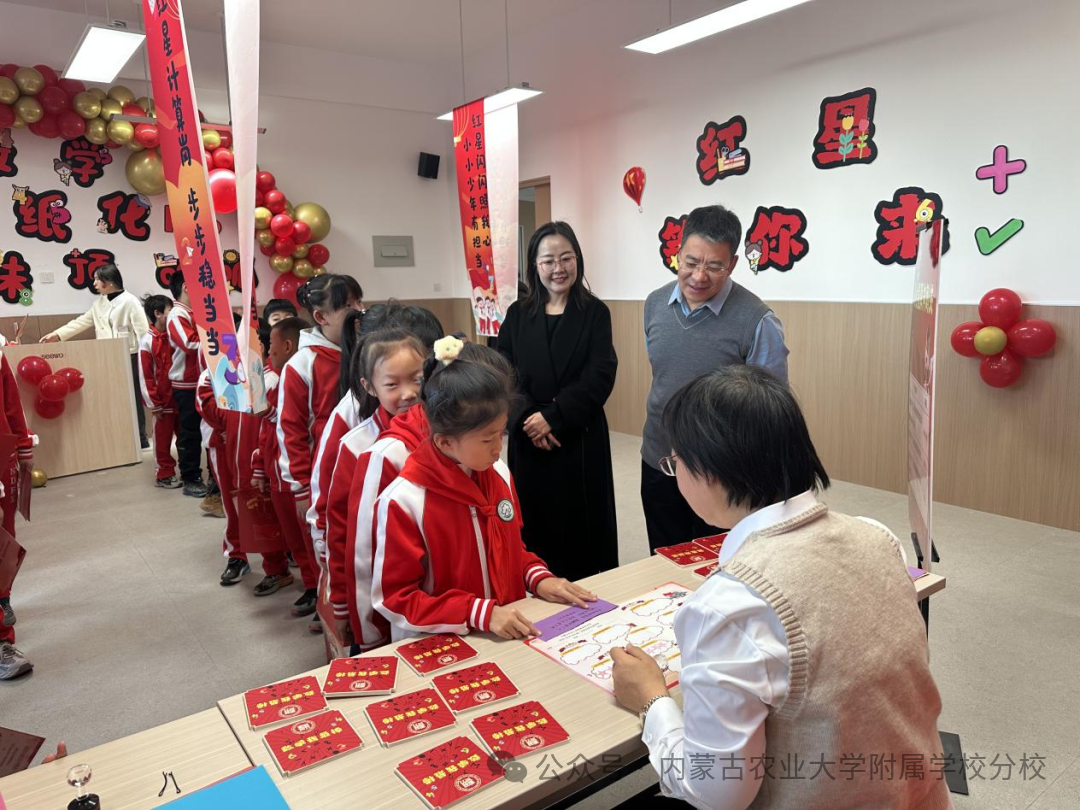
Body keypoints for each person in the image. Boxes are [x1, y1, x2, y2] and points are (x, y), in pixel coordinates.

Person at [610, 366, 950, 810]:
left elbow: (716, 794)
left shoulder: (730, 604)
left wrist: (652, 699)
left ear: (710, 472)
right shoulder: (877, 537)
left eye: (676, 464)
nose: (675, 476)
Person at [372, 337, 596, 642]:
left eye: (501, 433)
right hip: (446, 643)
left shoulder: (499, 473)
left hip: (506, 631)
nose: (498, 448)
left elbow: (512, 549)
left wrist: (538, 578)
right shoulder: (404, 500)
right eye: (488, 439)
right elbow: (395, 599)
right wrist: (480, 613)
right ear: (445, 441)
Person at [641, 204, 789, 551]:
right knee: (662, 557)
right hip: (660, 459)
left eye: (714, 266)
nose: (698, 276)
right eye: (691, 262)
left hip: (722, 474)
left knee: (718, 562)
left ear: (733, 264)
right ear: (678, 254)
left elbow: (769, 412)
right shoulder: (654, 304)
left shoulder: (757, 320)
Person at [497, 221, 619, 582]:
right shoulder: (517, 315)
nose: (558, 268)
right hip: (528, 435)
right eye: (548, 260)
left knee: (581, 528)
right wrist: (528, 419)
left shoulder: (595, 313)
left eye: (566, 258)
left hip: (577, 434)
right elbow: (503, 373)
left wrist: (554, 416)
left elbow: (600, 374)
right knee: (535, 521)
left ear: (577, 259)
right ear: (535, 266)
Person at [323, 327, 426, 645]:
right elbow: (341, 533)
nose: (408, 393)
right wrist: (344, 605)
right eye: (392, 384)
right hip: (381, 586)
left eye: (417, 379)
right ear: (368, 386)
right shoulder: (357, 446)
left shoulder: (441, 433)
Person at [277, 275, 363, 629]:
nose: (359, 311)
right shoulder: (302, 364)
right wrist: (300, 486)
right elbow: (291, 430)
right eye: (348, 306)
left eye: (360, 302)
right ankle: (329, 606)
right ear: (321, 317)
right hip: (322, 476)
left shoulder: (363, 351)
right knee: (328, 544)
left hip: (361, 469)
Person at [252, 317, 321, 615]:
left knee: (309, 538)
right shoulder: (271, 381)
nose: (269, 351)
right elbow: (266, 434)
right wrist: (260, 467)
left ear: (288, 346)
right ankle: (311, 586)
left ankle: (320, 591)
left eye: (272, 345)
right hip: (278, 475)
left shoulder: (298, 380)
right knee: (293, 538)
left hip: (300, 478)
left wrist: (269, 413)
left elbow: (295, 427)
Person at [40, 264, 150, 448]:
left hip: (129, 355)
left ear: (110, 281)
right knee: (112, 397)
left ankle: (140, 439)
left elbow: (143, 333)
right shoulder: (99, 303)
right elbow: (81, 322)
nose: (95, 283)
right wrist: (57, 335)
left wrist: (147, 360)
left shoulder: (130, 301)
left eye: (98, 279)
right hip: (105, 355)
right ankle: (120, 436)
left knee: (132, 398)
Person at [0, 350, 35, 680]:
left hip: (1, 458)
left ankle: (2, 630)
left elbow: (11, 402)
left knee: (4, 542)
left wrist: (23, 447)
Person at [165, 271, 208, 498]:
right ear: (186, 287)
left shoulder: (197, 312)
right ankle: (190, 477)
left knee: (209, 429)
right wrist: (217, 340)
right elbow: (190, 344)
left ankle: (212, 475)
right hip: (187, 384)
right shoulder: (177, 314)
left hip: (205, 381)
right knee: (190, 432)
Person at [138, 295, 181, 489]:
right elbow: (145, 376)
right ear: (157, 313)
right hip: (162, 402)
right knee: (162, 441)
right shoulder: (147, 341)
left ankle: (189, 471)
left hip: (180, 397)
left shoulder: (175, 335)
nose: (174, 314)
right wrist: (154, 403)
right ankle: (164, 474)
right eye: (170, 310)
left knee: (185, 438)